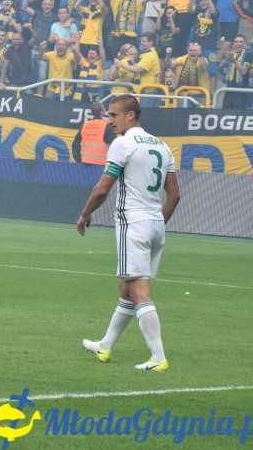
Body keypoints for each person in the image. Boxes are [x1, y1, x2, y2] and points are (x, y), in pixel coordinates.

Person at [77, 94, 180, 372]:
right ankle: (106, 345)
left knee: (140, 292)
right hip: (155, 225)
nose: (109, 120)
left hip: (132, 224)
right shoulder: (162, 146)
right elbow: (174, 194)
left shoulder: (123, 144)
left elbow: (102, 188)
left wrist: (86, 214)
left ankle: (158, 357)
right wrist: (156, 223)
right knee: (126, 288)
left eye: (113, 115)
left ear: (130, 116)